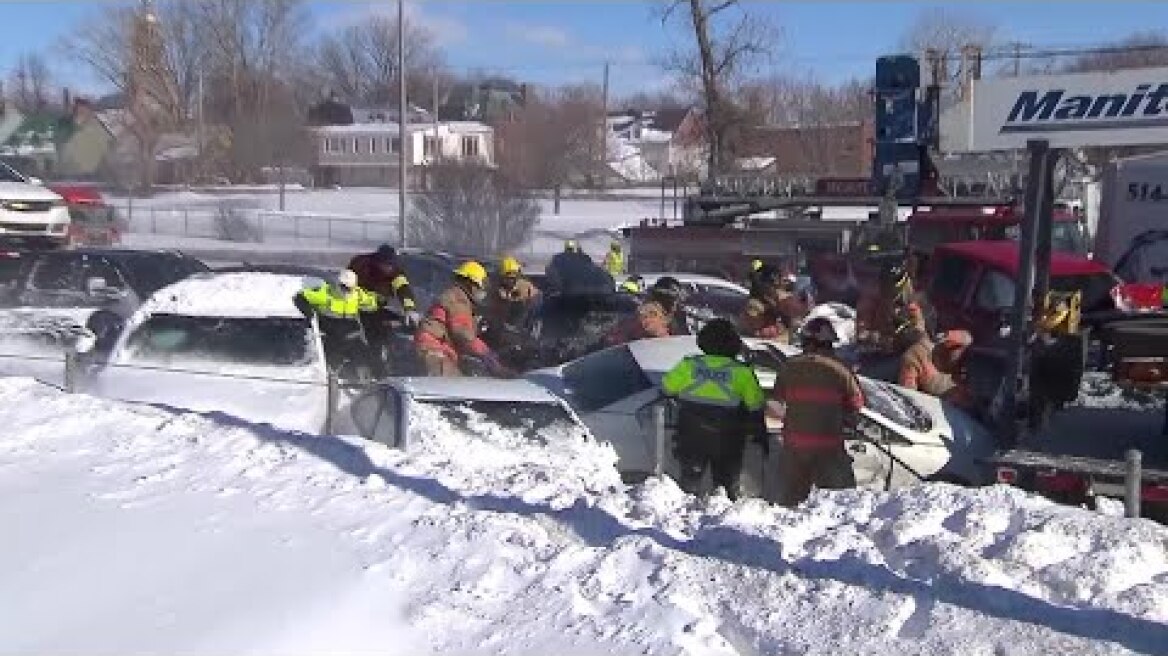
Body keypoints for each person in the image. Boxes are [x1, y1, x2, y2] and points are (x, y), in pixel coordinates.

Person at [661, 319, 766, 500]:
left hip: (691, 435)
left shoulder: (689, 365)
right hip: (727, 439)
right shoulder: (742, 372)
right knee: (725, 488)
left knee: (688, 485)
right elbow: (755, 405)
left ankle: (683, 519)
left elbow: (667, 388)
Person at [769, 317, 864, 508]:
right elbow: (856, 405)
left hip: (795, 448)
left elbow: (776, 402)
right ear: (827, 344)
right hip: (828, 447)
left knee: (789, 504)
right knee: (842, 502)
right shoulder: (841, 371)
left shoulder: (788, 367)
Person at [414, 261, 511, 378]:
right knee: (454, 389)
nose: (482, 292)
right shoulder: (458, 300)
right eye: (480, 287)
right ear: (471, 284)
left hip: (433, 348)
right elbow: (463, 334)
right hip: (435, 350)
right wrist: (486, 353)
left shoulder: (456, 296)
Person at [294, 269, 383, 370]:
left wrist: (378, 300)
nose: (347, 291)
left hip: (350, 330)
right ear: (338, 284)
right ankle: (333, 375)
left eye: (350, 288)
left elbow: (369, 301)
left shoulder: (357, 293)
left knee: (364, 353)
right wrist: (308, 312)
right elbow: (301, 297)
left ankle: (367, 376)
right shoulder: (326, 293)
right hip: (330, 330)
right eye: (344, 288)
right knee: (333, 356)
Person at [347, 244, 421, 327]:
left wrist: (409, 309)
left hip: (378, 309)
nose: (389, 268)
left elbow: (403, 289)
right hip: (355, 309)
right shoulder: (361, 264)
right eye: (386, 265)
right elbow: (346, 283)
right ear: (378, 262)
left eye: (392, 265)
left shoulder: (396, 272)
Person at [604, 276, 684, 346]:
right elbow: (665, 344)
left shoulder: (663, 316)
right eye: (676, 301)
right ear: (670, 302)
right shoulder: (650, 315)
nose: (678, 305)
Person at [740, 265, 806, 342]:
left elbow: (794, 319)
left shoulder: (780, 301)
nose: (776, 289)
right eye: (772, 285)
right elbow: (754, 330)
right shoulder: (754, 305)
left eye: (777, 285)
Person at [485, 256, 541, 332]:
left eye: (513, 277)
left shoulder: (527, 290)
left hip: (518, 327)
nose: (510, 281)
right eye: (508, 277)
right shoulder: (494, 287)